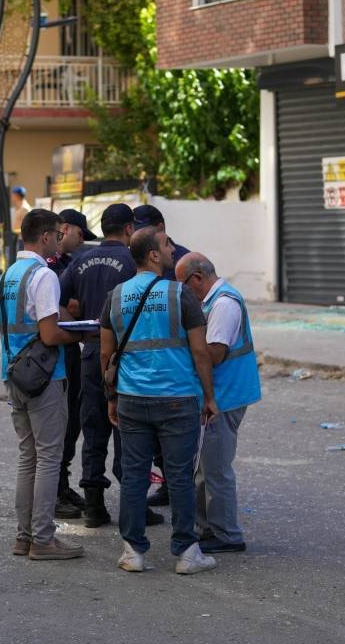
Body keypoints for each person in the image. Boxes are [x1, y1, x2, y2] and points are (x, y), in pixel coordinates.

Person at [101, 226, 220, 575]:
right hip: (177, 398)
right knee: (180, 476)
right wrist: (209, 396)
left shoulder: (116, 296)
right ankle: (186, 553)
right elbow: (200, 351)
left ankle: (133, 552)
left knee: (135, 475)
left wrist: (110, 397)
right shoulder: (180, 295)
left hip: (132, 398)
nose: (172, 250)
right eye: (167, 245)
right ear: (153, 255)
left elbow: (106, 354)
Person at [59, 204, 164, 529]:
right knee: (130, 429)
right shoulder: (132, 260)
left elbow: (55, 301)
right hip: (127, 354)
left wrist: (76, 323)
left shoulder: (80, 260)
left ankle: (94, 506)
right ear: (130, 228)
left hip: (91, 351)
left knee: (93, 428)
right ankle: (134, 505)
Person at [0, 208, 84, 561]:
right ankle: (44, 540)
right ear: (46, 236)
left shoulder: (6, 277)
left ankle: (24, 537)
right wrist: (81, 334)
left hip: (13, 374)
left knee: (28, 457)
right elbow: (49, 334)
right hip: (46, 378)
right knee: (49, 457)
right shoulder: (44, 275)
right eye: (57, 235)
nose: (60, 241)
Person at [175, 252, 261, 554]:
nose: (182, 292)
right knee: (205, 466)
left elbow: (214, 354)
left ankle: (227, 534)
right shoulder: (212, 300)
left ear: (197, 279)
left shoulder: (223, 304)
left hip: (226, 395)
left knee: (215, 468)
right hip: (221, 394)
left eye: (183, 285)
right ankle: (208, 527)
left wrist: (182, 351)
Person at [131, 204, 191, 507]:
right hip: (145, 370)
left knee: (177, 449)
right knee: (153, 444)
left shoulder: (180, 259)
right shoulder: (140, 258)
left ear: (161, 227)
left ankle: (176, 493)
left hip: (174, 371)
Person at [46, 208, 96, 519]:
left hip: (72, 352)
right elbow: (60, 309)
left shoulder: (71, 264)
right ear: (65, 229)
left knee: (73, 421)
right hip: (54, 355)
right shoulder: (48, 267)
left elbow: (77, 306)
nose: (80, 242)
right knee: (57, 426)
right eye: (79, 234)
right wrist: (71, 308)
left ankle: (61, 485)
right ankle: (53, 492)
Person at [132, 205, 190, 281]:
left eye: (144, 231)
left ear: (160, 227)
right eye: (134, 231)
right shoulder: (131, 259)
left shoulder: (185, 260)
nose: (137, 235)